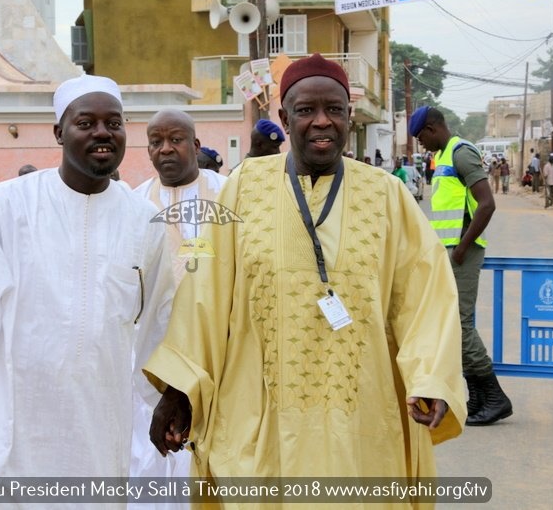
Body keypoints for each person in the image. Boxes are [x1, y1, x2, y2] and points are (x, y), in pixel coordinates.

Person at [145, 54, 465, 483]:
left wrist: (430, 377)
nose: (321, 122)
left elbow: (426, 297)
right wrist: (179, 390)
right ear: (284, 116)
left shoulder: (386, 194)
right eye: (306, 110)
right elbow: (206, 295)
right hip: (258, 415)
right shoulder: (244, 186)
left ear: (349, 117)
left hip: (362, 419)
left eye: (334, 110)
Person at [0, 75, 175, 487]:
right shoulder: (8, 206)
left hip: (99, 427)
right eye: (86, 122)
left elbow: (159, 324)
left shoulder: (143, 220)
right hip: (13, 425)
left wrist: (171, 397)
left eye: (114, 123)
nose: (102, 133)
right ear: (59, 132)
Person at [409, 105, 513, 426]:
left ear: (432, 127)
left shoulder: (460, 153)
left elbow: (487, 204)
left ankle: (495, 397)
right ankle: (479, 396)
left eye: (420, 137)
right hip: (450, 252)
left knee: (461, 325)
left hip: (462, 253)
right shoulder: (442, 158)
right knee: (454, 326)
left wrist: (461, 248)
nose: (420, 144)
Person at [135, 108, 228, 283]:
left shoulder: (226, 191)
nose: (166, 149)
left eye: (176, 140)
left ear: (196, 146)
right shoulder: (137, 201)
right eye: (156, 142)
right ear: (149, 151)